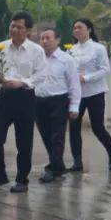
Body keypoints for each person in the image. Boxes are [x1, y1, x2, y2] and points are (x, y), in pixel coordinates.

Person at [0, 11, 47, 193]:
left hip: (25, 98)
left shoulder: (36, 51)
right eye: (12, 26)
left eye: (19, 27)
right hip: (4, 97)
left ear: (28, 30)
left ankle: (22, 180)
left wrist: (22, 82)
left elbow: (41, 75)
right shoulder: (1, 47)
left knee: (24, 142)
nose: (14, 30)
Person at [67, 18, 111, 171]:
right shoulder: (71, 49)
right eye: (74, 27)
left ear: (89, 29)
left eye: (80, 27)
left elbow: (105, 69)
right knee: (74, 127)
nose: (76, 30)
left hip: (95, 92)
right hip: (76, 95)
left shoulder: (98, 48)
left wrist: (86, 78)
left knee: (97, 127)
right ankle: (77, 162)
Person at [34, 28, 81, 183]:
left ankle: (52, 169)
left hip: (58, 101)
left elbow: (74, 84)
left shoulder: (66, 60)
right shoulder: (37, 58)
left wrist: (74, 107)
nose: (44, 41)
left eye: (48, 38)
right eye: (42, 38)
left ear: (58, 40)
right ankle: (58, 165)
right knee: (46, 135)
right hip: (39, 102)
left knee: (57, 137)